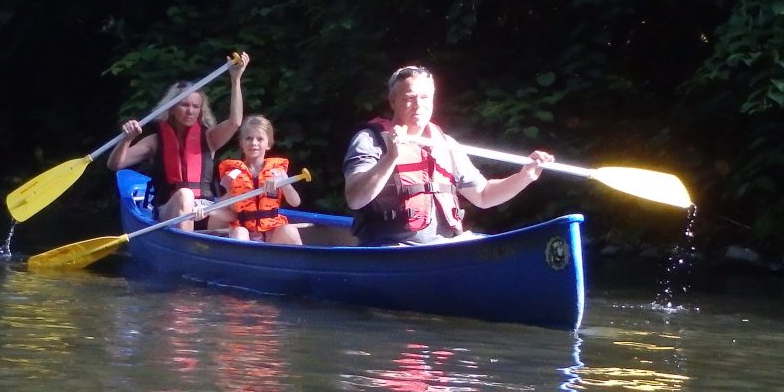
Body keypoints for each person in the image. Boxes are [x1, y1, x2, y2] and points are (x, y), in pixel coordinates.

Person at [343, 64, 554, 246]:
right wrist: (391, 157)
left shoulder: (445, 144)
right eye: (409, 97)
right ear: (392, 101)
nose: (418, 105)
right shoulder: (370, 140)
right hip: (391, 247)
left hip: (444, 246)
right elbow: (355, 199)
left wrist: (525, 176)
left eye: (425, 97)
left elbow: (484, 195)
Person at [106, 52, 250, 231]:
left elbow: (235, 122)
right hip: (170, 209)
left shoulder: (209, 138)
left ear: (200, 111)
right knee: (185, 195)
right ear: (172, 108)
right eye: (184, 105)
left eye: (195, 106)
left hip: (204, 208)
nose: (190, 111)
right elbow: (115, 164)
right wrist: (126, 140)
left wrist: (236, 80)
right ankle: (187, 247)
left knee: (236, 212)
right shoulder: (156, 140)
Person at [216, 115, 303, 244]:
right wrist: (208, 209)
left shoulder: (277, 172)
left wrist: (284, 184)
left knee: (290, 230)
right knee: (240, 233)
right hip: (245, 230)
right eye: (249, 138)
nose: (254, 143)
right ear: (242, 143)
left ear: (268, 144)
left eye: (260, 139)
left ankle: (301, 263)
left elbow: (295, 202)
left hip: (272, 233)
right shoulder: (234, 173)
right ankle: (243, 262)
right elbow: (227, 207)